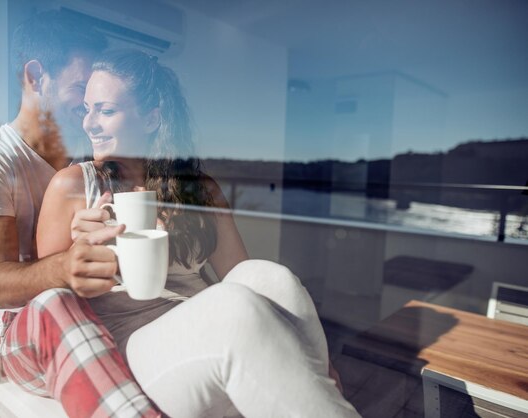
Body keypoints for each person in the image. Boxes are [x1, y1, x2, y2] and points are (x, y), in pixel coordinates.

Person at [37, 49, 360, 418]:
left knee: (274, 278)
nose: (89, 123)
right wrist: (77, 256)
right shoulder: (74, 187)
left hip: (197, 327)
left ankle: (320, 384)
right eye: (86, 109)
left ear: (151, 119)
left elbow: (242, 276)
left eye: (105, 111)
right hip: (127, 347)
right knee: (233, 309)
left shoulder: (197, 190)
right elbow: (48, 304)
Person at [0, 12, 161, 418]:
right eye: (80, 89)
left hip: (97, 314)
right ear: (35, 76)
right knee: (55, 302)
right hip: (30, 333)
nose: (88, 109)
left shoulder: (94, 159)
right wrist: (66, 266)